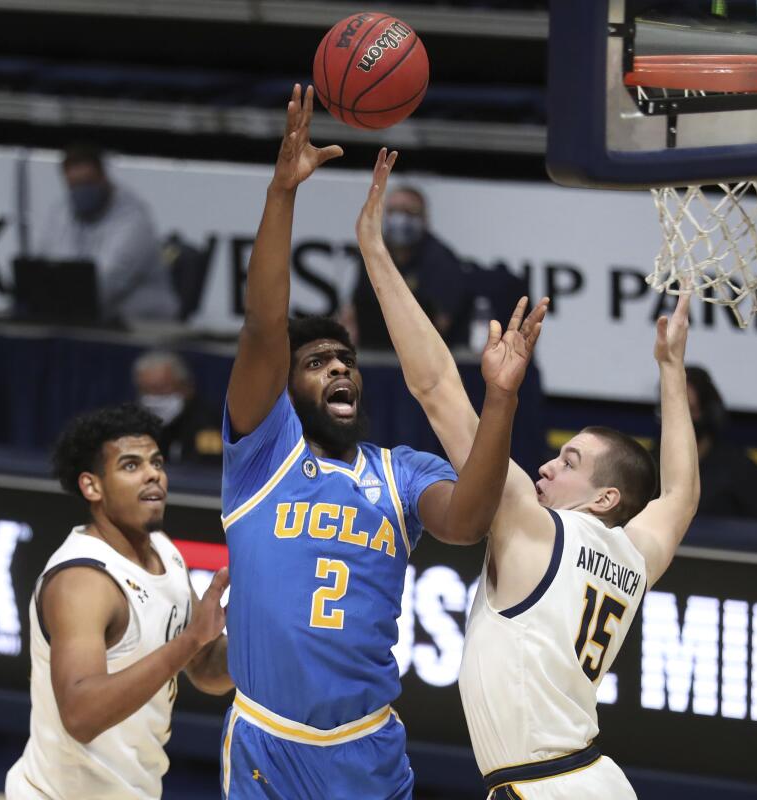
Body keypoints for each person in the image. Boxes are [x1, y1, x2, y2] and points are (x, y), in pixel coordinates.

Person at [219, 85, 541, 800]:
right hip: (267, 742)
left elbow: (469, 521)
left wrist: (500, 400)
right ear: (287, 387)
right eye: (317, 362)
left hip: (365, 748)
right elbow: (264, 327)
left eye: (346, 361)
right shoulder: (260, 460)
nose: (338, 366)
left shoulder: (399, 473)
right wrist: (282, 193)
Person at [356, 147, 700, 800]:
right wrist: (671, 369)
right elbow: (680, 495)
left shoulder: (533, 529)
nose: (546, 463)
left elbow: (434, 388)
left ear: (604, 497)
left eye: (568, 461)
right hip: (593, 779)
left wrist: (375, 255)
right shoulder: (632, 555)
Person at [6, 403, 232, 800]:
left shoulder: (164, 551)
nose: (153, 474)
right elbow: (80, 715)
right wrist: (190, 640)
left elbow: (207, 670)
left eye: (157, 462)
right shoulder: (82, 581)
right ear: (92, 486)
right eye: (131, 466)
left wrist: (266, 631)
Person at [35, 144, 178, 322]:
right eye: (74, 186)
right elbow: (43, 264)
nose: (81, 192)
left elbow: (107, 284)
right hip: (85, 319)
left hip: (142, 324)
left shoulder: (134, 218)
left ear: (103, 178)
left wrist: (53, 298)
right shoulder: (61, 211)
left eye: (87, 183)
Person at [343, 182, 474, 349]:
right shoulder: (373, 254)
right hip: (375, 354)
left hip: (431, 358)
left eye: (408, 212)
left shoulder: (442, 260)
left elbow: (440, 325)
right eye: (393, 211)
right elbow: (352, 313)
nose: (400, 219)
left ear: (424, 219)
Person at [668, 365, 757, 518]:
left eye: (691, 410)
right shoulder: (654, 462)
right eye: (674, 411)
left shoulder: (736, 467)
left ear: (709, 413)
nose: (682, 420)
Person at [133, 349, 222, 464]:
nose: (153, 397)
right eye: (146, 390)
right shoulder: (132, 422)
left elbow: (209, 468)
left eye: (161, 388)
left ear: (186, 388)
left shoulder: (208, 423)